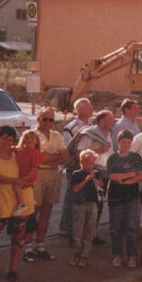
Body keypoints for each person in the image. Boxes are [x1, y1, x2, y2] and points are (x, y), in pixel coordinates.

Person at [0, 126, 35, 281]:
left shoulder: (18, 154)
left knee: (17, 237)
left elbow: (32, 164)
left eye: (10, 139)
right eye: (3, 138)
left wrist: (30, 180)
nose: (7, 142)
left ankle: (12, 269)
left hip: (22, 203)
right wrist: (16, 180)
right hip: (1, 203)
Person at [27, 107, 68, 262]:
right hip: (38, 174)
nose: (48, 122)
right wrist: (53, 156)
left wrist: (48, 158)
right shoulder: (31, 135)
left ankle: (40, 245)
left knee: (47, 211)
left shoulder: (57, 135)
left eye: (51, 119)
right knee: (34, 211)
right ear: (38, 119)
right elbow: (39, 158)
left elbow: (65, 156)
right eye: (45, 119)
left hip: (53, 174)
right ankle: (28, 247)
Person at [73, 109, 115, 247]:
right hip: (91, 172)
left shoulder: (109, 134)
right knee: (86, 205)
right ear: (101, 121)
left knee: (99, 205)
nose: (113, 122)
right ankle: (78, 239)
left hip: (103, 174)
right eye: (110, 119)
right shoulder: (90, 133)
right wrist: (99, 151)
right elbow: (80, 153)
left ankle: (92, 235)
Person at [106, 130, 142, 268]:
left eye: (129, 142)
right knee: (115, 227)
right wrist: (130, 174)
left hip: (132, 196)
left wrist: (124, 181)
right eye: (123, 142)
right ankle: (117, 255)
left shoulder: (136, 157)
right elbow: (112, 177)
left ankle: (132, 256)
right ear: (118, 142)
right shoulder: (112, 158)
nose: (126, 145)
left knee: (131, 227)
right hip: (115, 196)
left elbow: (141, 175)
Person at [59, 98, 93, 238]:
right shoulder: (71, 128)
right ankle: (65, 227)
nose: (92, 109)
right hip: (74, 168)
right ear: (80, 110)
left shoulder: (92, 126)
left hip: (88, 167)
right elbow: (67, 150)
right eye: (89, 107)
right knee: (71, 196)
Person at [70, 150, 100, 267]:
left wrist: (98, 184)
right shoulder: (76, 174)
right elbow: (75, 189)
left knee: (90, 232)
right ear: (81, 162)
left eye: (92, 163)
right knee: (77, 232)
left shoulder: (96, 173)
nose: (90, 166)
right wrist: (87, 179)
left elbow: (101, 192)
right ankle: (76, 254)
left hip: (92, 205)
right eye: (87, 163)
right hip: (79, 205)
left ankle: (84, 256)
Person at [11, 130, 41, 217]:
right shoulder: (20, 150)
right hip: (22, 173)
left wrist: (27, 176)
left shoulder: (35, 152)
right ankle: (31, 200)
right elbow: (12, 147)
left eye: (32, 138)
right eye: (26, 138)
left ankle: (22, 205)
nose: (29, 140)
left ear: (37, 141)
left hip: (29, 175)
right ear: (23, 140)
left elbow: (34, 167)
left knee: (16, 186)